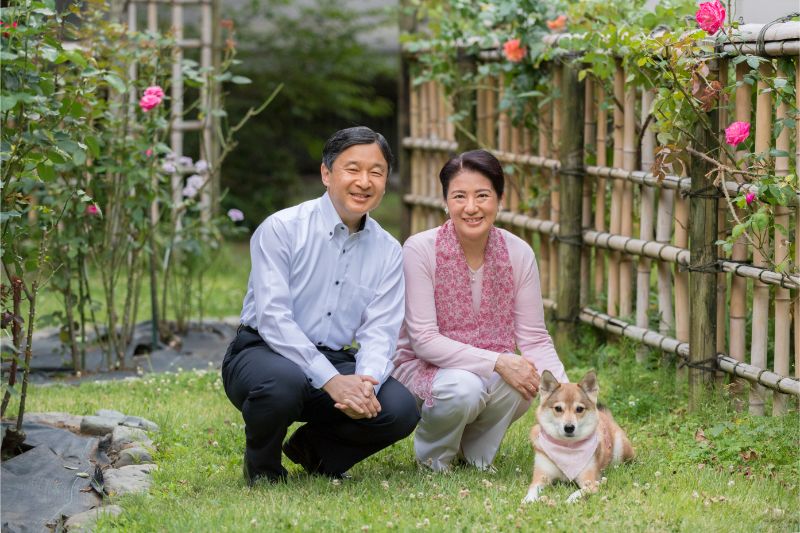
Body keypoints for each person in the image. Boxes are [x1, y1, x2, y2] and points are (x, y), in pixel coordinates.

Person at [222, 126, 419, 485]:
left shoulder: (389, 250)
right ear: (326, 174)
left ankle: (315, 451)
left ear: (387, 182)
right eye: (352, 169)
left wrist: (366, 383)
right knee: (283, 382)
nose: (364, 181)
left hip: (334, 355)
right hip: (263, 352)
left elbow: (380, 330)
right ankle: (263, 470)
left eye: (376, 172)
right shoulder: (282, 228)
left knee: (401, 409)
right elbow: (273, 319)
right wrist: (331, 380)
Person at [392, 149, 568, 472]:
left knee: (524, 379)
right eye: (459, 196)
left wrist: (568, 396)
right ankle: (434, 459)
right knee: (464, 388)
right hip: (422, 369)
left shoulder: (518, 253)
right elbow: (423, 340)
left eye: (482, 195)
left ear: (499, 200)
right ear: (445, 202)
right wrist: (499, 361)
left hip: (483, 371)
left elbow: (535, 338)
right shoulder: (419, 249)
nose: (471, 207)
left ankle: (474, 456)